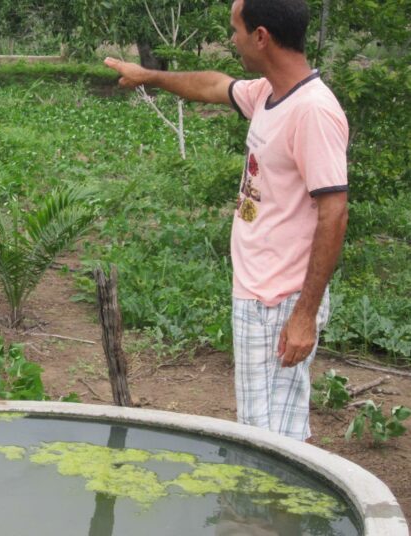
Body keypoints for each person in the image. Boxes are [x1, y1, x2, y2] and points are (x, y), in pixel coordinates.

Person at [104, 0, 349, 442]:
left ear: (261, 36)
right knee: (270, 431)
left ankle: (269, 512)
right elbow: (213, 86)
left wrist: (305, 315)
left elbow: (334, 211)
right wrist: (150, 76)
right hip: (259, 293)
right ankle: (269, 510)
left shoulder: (313, 110)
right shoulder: (270, 95)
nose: (231, 39)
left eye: (235, 30)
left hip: (280, 300)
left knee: (269, 440)